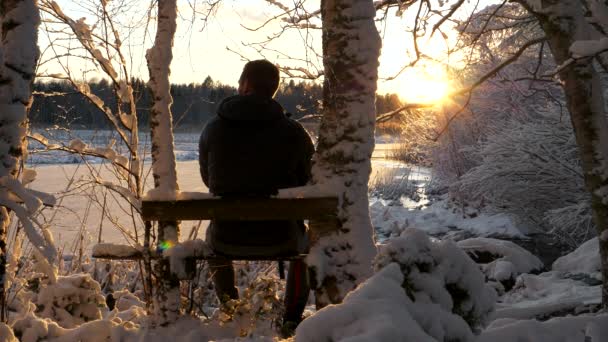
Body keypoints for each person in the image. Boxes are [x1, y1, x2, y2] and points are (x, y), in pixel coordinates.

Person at [198, 60, 315, 330]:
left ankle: (230, 308)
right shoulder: (294, 132)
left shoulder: (213, 129)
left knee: (213, 239)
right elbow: (307, 179)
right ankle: (291, 320)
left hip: (226, 238)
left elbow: (208, 180)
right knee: (308, 246)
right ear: (272, 89)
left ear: (246, 84)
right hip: (282, 238)